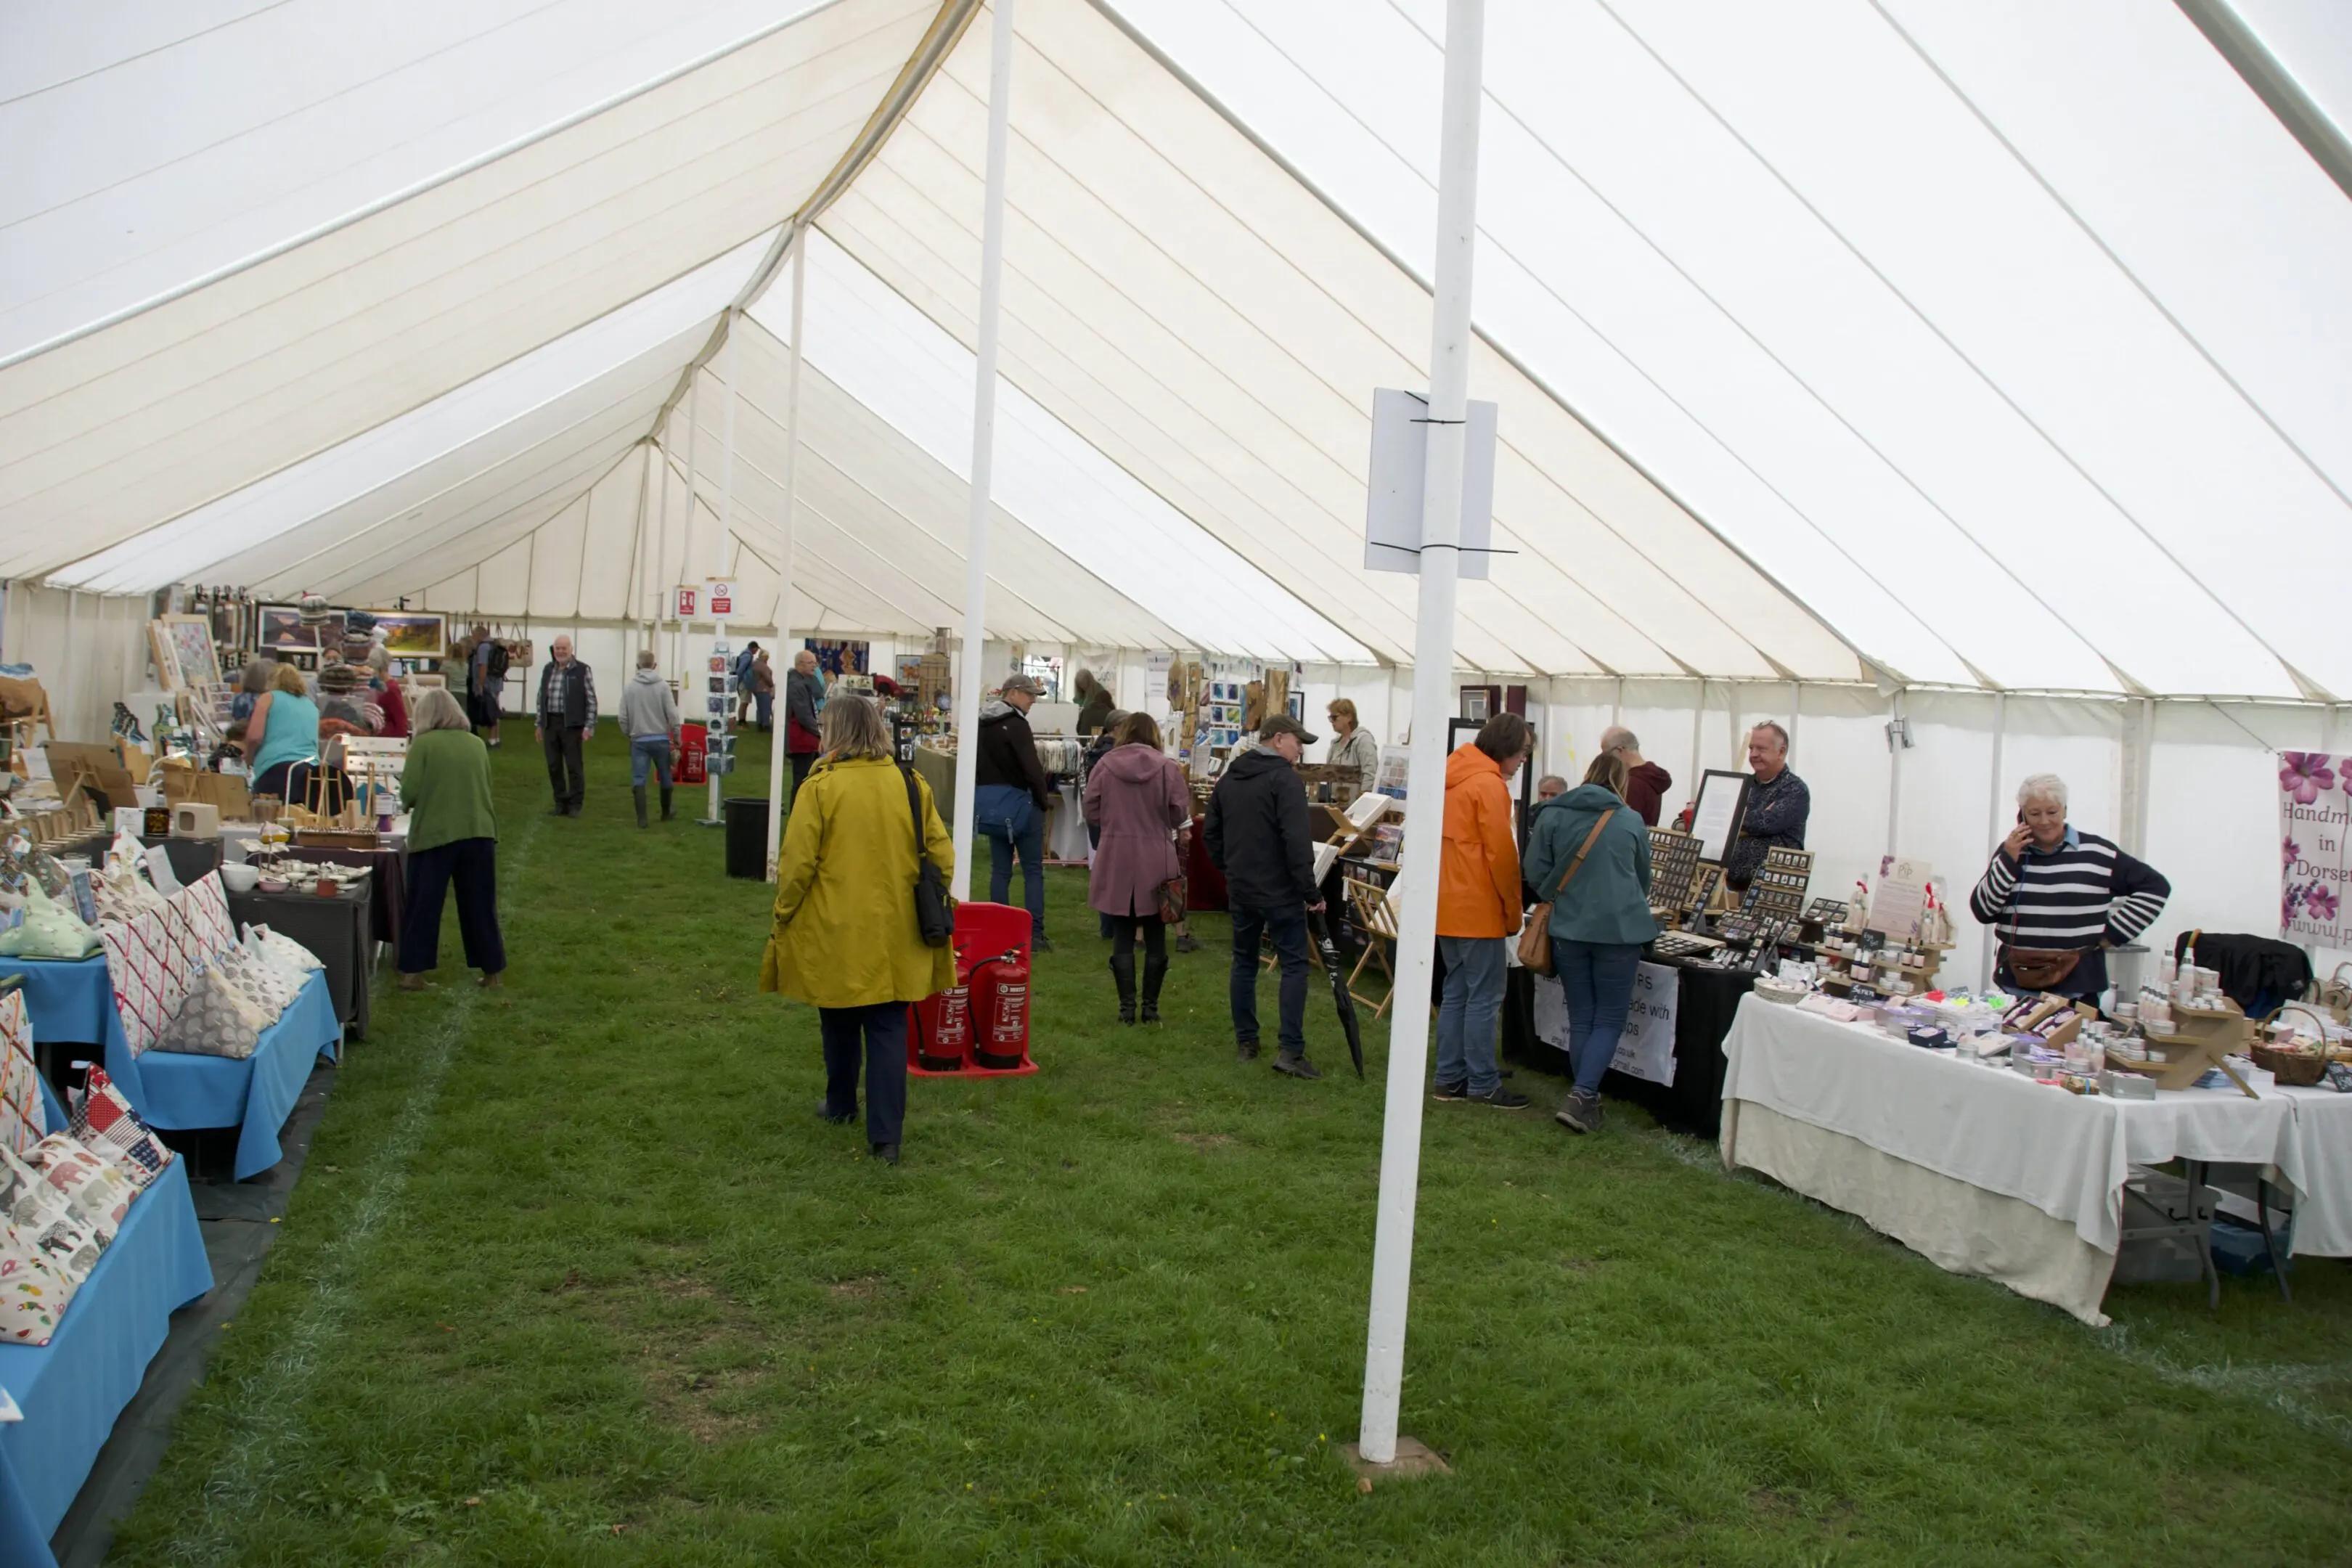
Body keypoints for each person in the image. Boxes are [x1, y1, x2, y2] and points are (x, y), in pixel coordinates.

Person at [759, 695, 955, 1167]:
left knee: (839, 1014)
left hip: (837, 925)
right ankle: (885, 1137)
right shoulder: (910, 782)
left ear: (836, 731)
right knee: (888, 1026)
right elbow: (942, 856)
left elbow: (798, 864)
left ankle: (843, 1102)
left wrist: (784, 912)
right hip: (898, 927)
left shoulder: (821, 786)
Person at [1525, 752, 1659, 1134]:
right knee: (1609, 1018)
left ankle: (1584, 1097)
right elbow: (1642, 878)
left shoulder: (1553, 814)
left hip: (1568, 929)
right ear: (1621, 782)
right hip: (1619, 933)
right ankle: (1583, 1095)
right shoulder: (1630, 820)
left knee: (1582, 1015)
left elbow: (1534, 870)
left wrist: (1558, 893)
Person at [1969, 773, 2169, 1004]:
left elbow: (2156, 887)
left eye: (2052, 812)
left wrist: (2112, 934)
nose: (2044, 821)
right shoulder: (2011, 853)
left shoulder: (2098, 853)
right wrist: (2007, 859)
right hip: (2016, 983)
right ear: (2022, 815)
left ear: (2065, 810)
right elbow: (1983, 912)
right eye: (2035, 814)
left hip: (2079, 983)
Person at [1205, 714, 1325, 1079]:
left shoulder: (1230, 779)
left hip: (1243, 887)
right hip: (1280, 890)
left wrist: (1230, 869)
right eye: (1297, 741)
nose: (1300, 748)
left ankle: (1247, 1043)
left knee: (1244, 961)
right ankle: (1290, 1050)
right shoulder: (1284, 780)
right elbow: (1296, 841)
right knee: (1293, 966)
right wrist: (1310, 890)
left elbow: (1211, 834)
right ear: (1277, 740)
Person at [1433, 712, 1534, 1109]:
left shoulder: (1451, 775)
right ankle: (1482, 1081)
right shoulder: (1488, 786)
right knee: (1484, 997)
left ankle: (1451, 1076)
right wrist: (1514, 910)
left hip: (1447, 904)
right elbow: (1503, 858)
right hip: (1478, 906)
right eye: (1523, 751)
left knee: (1457, 993)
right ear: (1507, 748)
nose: (1524, 759)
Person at [1084, 712, 1190, 1024]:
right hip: (1156, 852)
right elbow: (1177, 812)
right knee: (1156, 928)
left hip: (1117, 852)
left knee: (1122, 928)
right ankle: (1150, 1009)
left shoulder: (1105, 765)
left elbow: (1091, 807)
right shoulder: (1168, 768)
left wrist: (1113, 824)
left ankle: (1127, 1009)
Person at [396, 690, 505, 992]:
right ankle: (492, 970)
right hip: (478, 831)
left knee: (424, 904)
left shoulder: (424, 745)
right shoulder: (477, 745)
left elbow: (410, 792)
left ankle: (413, 972)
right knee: (480, 906)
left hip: (435, 833)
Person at [975, 671, 1055, 950]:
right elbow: (1032, 768)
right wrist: (1043, 801)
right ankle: (1035, 934)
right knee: (1032, 870)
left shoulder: (982, 724)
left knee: (1001, 870)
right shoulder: (1016, 724)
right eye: (1029, 694)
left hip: (993, 805)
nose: (1033, 699)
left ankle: (999, 929)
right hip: (1022, 803)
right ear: (1012, 693)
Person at [1724, 722, 1808, 892]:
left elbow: (1765, 823)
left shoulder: (1795, 789)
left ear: (1781, 751)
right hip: (1730, 887)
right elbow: (1727, 822)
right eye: (1751, 748)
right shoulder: (1743, 786)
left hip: (1772, 892)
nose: (1753, 754)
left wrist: (1735, 820)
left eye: (1761, 749)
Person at [534, 635, 597, 817]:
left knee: (574, 765)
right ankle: (560, 803)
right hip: (551, 724)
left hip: (572, 724)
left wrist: (589, 726)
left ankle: (576, 803)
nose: (560, 652)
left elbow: (591, 700)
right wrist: (539, 723)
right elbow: (541, 698)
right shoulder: (548, 669)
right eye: (557, 648)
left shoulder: (582, 670)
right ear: (553, 650)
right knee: (554, 765)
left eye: (564, 648)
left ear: (571, 649)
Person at [242, 661, 319, 802]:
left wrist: (248, 758)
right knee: (301, 819)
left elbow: (254, 737)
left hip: (275, 770)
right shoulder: (311, 706)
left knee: (270, 819)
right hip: (311, 772)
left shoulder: (269, 698)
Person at [620, 649, 680, 828]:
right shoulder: (663, 686)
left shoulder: (630, 687)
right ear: (654, 665)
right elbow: (673, 715)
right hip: (661, 739)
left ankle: (642, 819)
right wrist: (677, 737)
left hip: (639, 740)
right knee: (665, 775)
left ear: (637, 665)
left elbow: (623, 717)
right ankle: (666, 813)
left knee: (639, 778)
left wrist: (629, 733)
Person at [1600, 726, 1671, 828]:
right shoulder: (1652, 777)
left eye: (1605, 754)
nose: (1603, 760)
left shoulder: (1632, 783)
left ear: (1620, 750)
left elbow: (1623, 826)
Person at [785, 648, 823, 798]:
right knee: (801, 781)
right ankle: (796, 813)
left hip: (804, 739)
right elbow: (804, 716)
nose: (814, 666)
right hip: (801, 740)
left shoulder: (800, 682)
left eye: (815, 663)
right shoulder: (797, 685)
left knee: (805, 779)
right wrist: (820, 732)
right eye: (811, 663)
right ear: (800, 664)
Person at [1324, 698, 1379, 799]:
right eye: (1330, 718)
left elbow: (1370, 774)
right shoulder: (1335, 745)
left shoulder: (1363, 740)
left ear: (1349, 717)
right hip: (1335, 804)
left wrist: (1364, 801)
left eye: (1334, 717)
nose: (1332, 721)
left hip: (1355, 806)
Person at [467, 624, 507, 747]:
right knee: (493, 710)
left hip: (488, 684)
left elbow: (483, 666)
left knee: (491, 712)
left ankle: (493, 740)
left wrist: (480, 684)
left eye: (474, 637)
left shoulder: (483, 648)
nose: (473, 640)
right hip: (496, 682)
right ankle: (494, 738)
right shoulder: (493, 645)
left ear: (479, 636)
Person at [365, 646, 410, 738]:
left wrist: (400, 745)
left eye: (371, 667)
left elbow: (401, 719)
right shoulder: (376, 685)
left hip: (388, 740)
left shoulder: (391, 689)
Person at [1073, 669, 1114, 740]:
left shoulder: (1100, 692)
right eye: (1080, 685)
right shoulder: (1081, 695)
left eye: (1083, 684)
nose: (1083, 687)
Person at [734, 642, 762, 725]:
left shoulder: (745, 654)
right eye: (756, 649)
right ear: (754, 648)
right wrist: (739, 681)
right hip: (744, 682)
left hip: (743, 681)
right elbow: (741, 669)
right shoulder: (747, 656)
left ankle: (743, 720)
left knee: (745, 701)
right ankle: (741, 721)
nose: (757, 651)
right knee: (744, 701)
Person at [751, 648, 776, 732]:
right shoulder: (763, 666)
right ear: (764, 657)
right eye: (767, 657)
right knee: (766, 707)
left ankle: (759, 724)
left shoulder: (755, 664)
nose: (767, 659)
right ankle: (766, 725)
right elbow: (768, 678)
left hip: (756, 689)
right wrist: (772, 686)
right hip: (764, 689)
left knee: (760, 707)